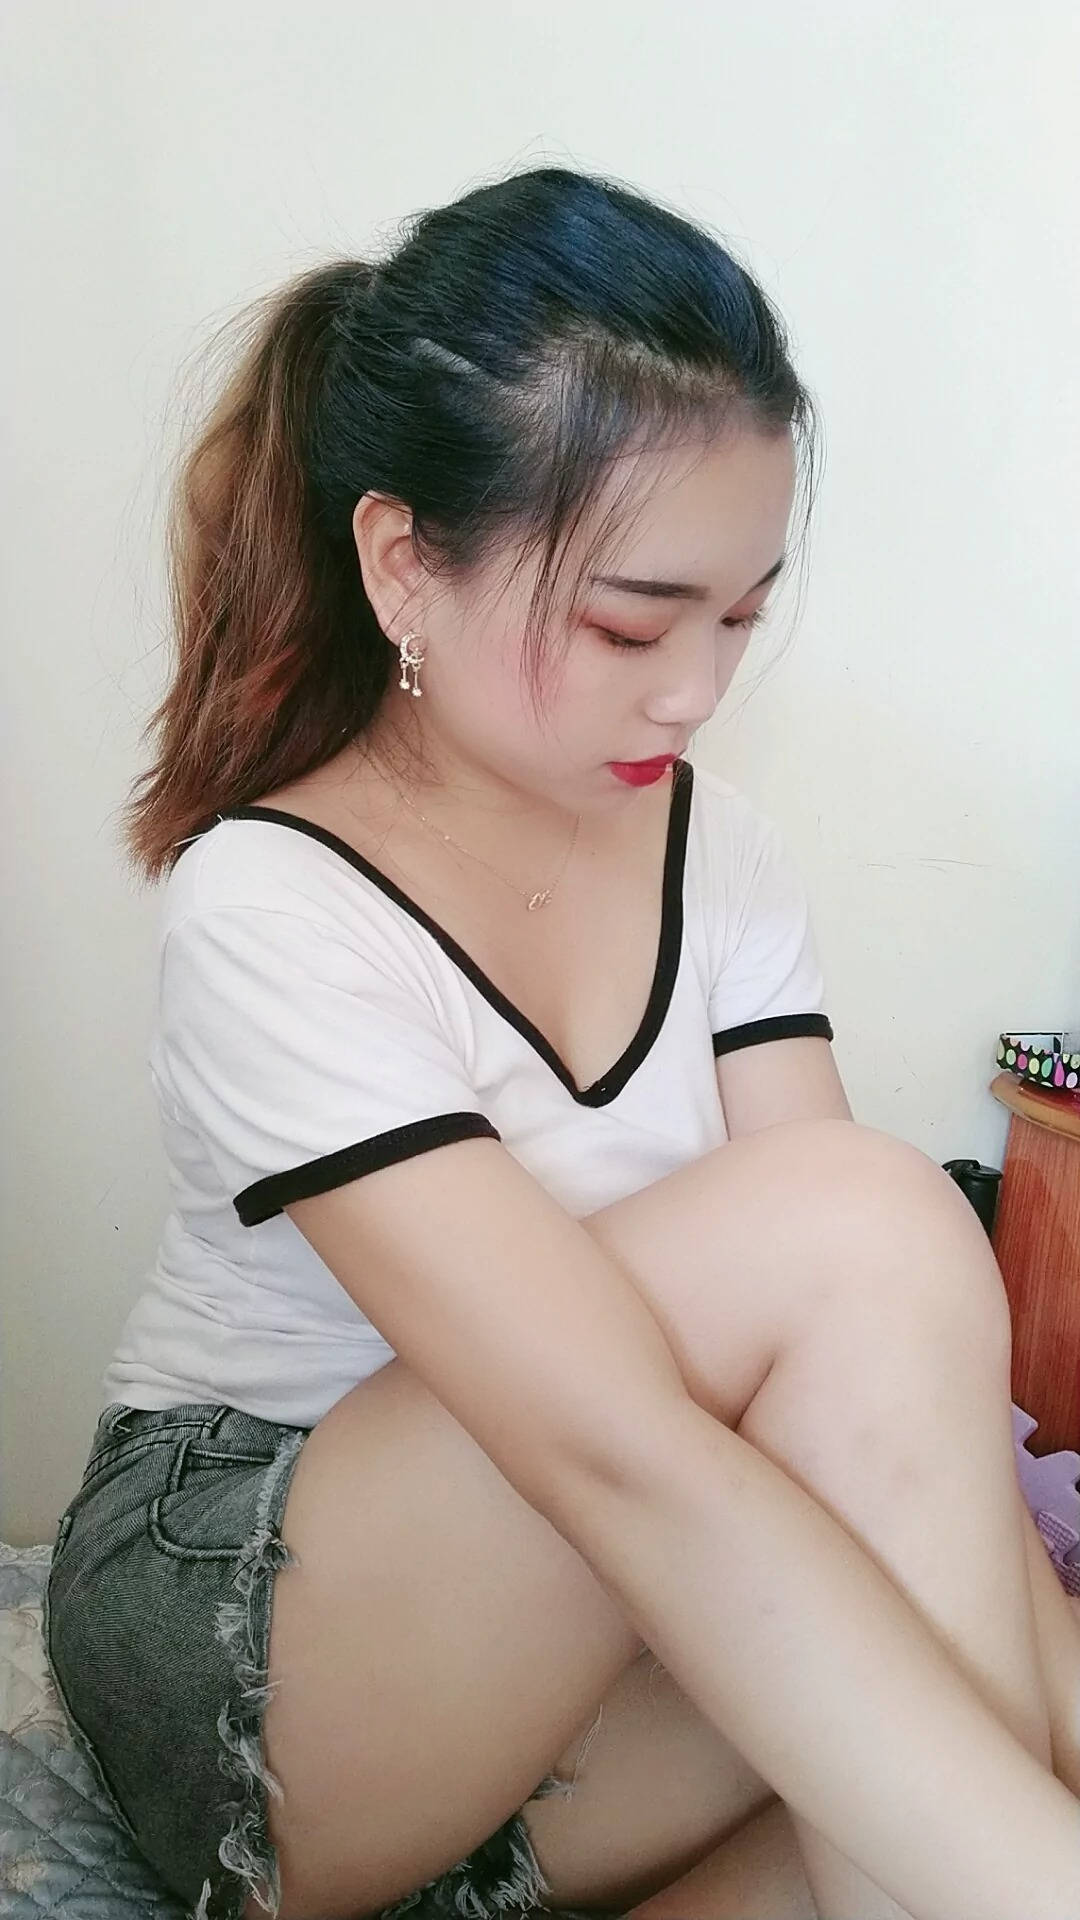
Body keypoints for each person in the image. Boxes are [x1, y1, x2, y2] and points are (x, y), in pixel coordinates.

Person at [42, 162, 1080, 1920]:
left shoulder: (722, 852)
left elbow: (876, 1394)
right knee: (869, 1218)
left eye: (741, 617)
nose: (696, 690)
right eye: (630, 621)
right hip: (279, 1643)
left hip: (585, 1639)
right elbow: (627, 1443)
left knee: (924, 1752)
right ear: (403, 564)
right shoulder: (270, 901)